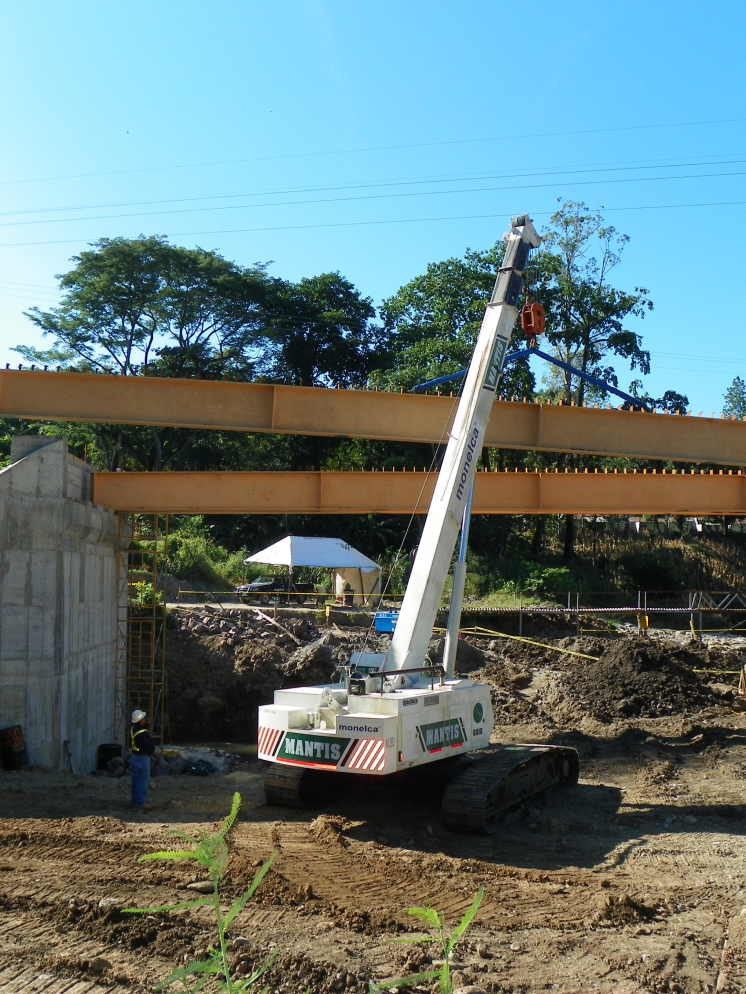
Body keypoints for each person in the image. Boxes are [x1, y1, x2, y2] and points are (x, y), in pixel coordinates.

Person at [129, 709, 156, 809]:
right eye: (143, 718)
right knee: (142, 781)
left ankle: (134, 801)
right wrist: (152, 752)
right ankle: (140, 803)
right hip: (142, 759)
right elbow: (149, 746)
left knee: (135, 780)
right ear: (141, 720)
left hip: (134, 757)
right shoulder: (142, 732)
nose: (145, 719)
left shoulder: (133, 729)